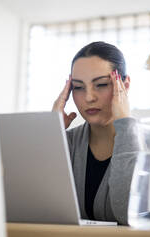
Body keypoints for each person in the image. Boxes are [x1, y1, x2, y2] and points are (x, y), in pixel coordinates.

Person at [52, 41, 140, 225]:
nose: (89, 97)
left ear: (125, 85)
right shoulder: (64, 142)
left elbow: (129, 215)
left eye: (101, 84)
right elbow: (39, 209)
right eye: (78, 87)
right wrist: (51, 130)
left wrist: (125, 125)